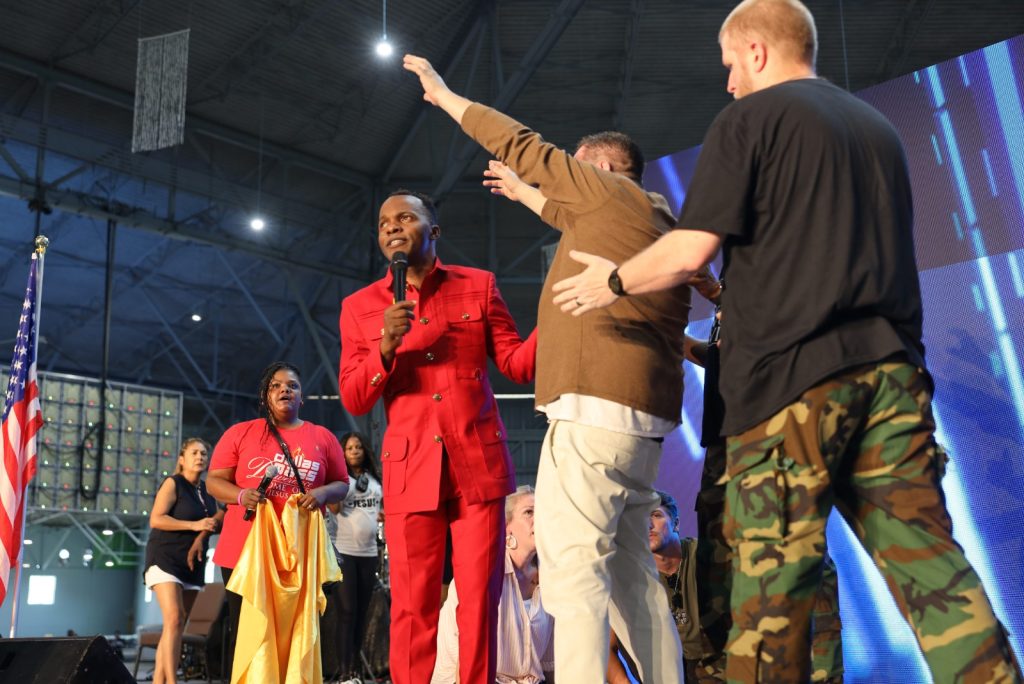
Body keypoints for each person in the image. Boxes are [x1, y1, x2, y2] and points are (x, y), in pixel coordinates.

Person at [548, 0, 1023, 681]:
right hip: (892, 383)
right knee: (937, 580)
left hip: (790, 395)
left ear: (758, 51)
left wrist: (614, 281)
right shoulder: (878, 131)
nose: (729, 82)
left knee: (770, 606)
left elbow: (689, 250)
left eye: (730, 64)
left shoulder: (751, 119)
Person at [403, 55, 699, 683]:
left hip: (592, 413)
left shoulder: (605, 192)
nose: (567, 183)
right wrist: (525, 195)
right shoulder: (651, 218)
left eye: (576, 169)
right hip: (641, 426)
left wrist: (446, 96)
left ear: (599, 170)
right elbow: (568, 214)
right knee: (632, 576)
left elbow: (520, 143)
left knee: (572, 569)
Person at [338, 190, 536, 684]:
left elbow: (516, 364)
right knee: (412, 607)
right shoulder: (359, 307)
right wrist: (385, 346)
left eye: (405, 217)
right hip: (410, 472)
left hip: (478, 467)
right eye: (383, 222)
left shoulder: (478, 285)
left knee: (480, 600)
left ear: (434, 230)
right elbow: (355, 398)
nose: (391, 227)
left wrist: (555, 317)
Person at [206, 361, 350, 677]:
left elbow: (342, 483)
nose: (285, 389)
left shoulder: (322, 437)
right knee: (248, 631)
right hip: (246, 552)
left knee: (298, 632)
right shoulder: (241, 433)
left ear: (302, 397)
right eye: (276, 386)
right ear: (265, 396)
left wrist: (322, 493)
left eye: (292, 385)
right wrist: (241, 495)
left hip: (301, 554)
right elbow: (214, 481)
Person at [431, 485, 554, 684]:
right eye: (529, 512)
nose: (539, 519)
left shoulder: (550, 578)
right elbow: (464, 662)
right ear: (506, 526)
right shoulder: (481, 575)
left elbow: (550, 666)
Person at [143, 437, 223, 684]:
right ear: (182, 459)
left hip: (193, 562)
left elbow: (218, 518)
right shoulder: (173, 483)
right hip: (165, 557)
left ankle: (159, 680)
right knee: (174, 618)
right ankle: (172, 681)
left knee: (176, 625)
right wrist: (194, 525)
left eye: (203, 454)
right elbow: (156, 519)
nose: (200, 457)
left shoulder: (207, 491)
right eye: (194, 453)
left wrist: (205, 531)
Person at [326, 431, 385, 684]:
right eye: (349, 448)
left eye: (358, 447)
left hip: (369, 552)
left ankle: (356, 671)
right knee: (347, 612)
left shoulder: (373, 479)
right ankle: (344, 671)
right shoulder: (341, 480)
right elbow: (334, 507)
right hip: (344, 552)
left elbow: (378, 507)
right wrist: (335, 480)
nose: (354, 451)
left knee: (361, 614)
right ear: (343, 452)